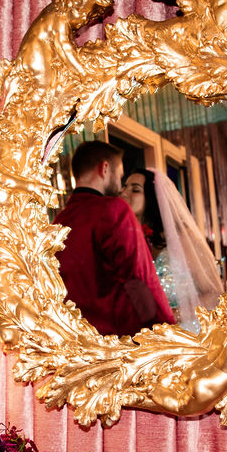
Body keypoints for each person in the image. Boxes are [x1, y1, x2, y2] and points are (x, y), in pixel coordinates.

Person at [54, 141, 175, 336]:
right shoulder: (113, 209)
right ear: (104, 168)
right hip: (119, 339)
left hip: (74, 341)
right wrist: (166, 328)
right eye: (119, 176)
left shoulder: (59, 220)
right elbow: (139, 277)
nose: (120, 186)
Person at [119, 169, 224, 332]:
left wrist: (172, 315)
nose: (124, 193)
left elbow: (214, 294)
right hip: (151, 338)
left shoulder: (182, 239)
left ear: (153, 198)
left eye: (135, 189)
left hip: (189, 334)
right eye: (124, 187)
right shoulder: (130, 243)